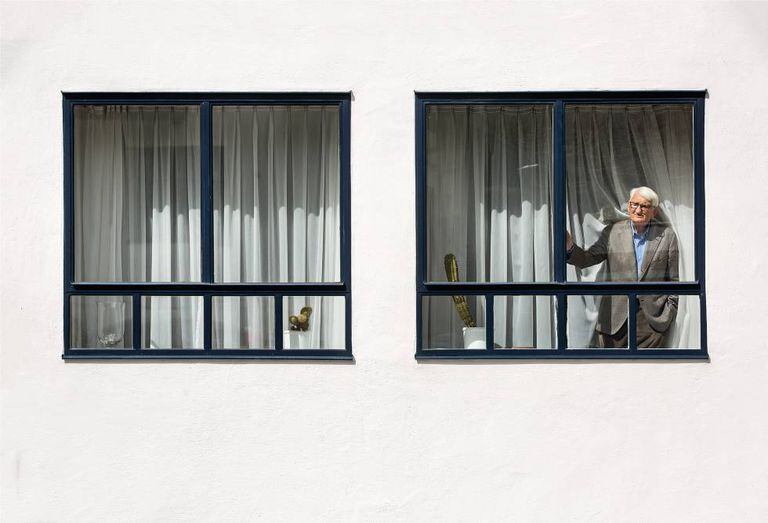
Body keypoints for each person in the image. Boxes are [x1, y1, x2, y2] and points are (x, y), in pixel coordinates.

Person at [566, 186, 679, 348]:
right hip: (614, 321)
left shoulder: (667, 236)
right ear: (628, 206)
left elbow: (674, 280)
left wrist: (668, 312)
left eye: (644, 206)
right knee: (612, 364)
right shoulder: (612, 231)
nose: (638, 210)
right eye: (634, 204)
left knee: (648, 365)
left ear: (654, 211)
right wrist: (570, 247)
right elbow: (587, 259)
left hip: (651, 323)